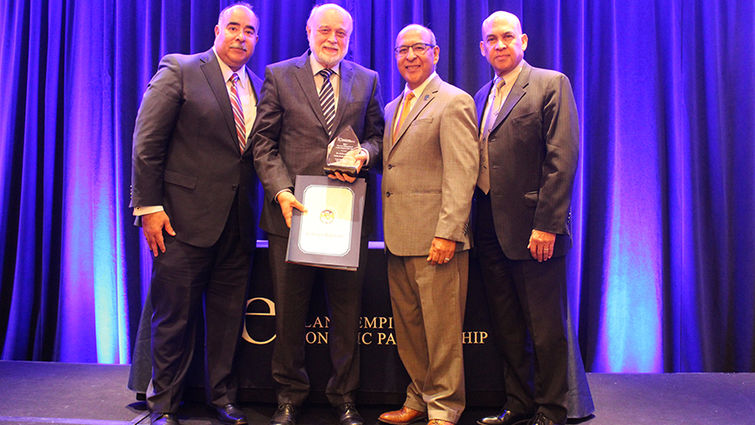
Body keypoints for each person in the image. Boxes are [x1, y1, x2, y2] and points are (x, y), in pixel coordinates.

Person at [250, 4, 384, 425]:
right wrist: (281, 192)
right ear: (308, 32)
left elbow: (379, 137)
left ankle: (344, 398)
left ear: (350, 36)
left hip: (345, 218)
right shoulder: (278, 75)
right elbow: (263, 144)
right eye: (324, 31)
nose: (332, 39)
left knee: (346, 314)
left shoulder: (367, 79)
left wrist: (366, 153)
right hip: (292, 217)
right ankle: (289, 397)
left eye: (341, 33)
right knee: (289, 314)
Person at [129, 3, 262, 425]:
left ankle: (221, 398)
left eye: (251, 32)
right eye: (235, 28)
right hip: (180, 222)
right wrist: (148, 207)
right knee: (174, 317)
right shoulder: (181, 69)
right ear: (217, 30)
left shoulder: (257, 85)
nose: (242, 37)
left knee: (226, 320)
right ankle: (164, 403)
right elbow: (146, 143)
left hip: (237, 224)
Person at [472, 11, 579, 425]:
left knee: (545, 328)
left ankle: (551, 410)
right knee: (508, 326)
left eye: (507, 37)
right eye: (491, 40)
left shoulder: (550, 84)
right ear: (482, 48)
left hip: (535, 229)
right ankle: (517, 404)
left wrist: (547, 224)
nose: (499, 45)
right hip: (488, 228)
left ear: (524, 41)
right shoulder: (481, 95)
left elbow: (562, 159)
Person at [377, 24, 478, 425]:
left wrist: (448, 233)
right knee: (410, 330)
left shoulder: (454, 101)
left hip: (437, 238)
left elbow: (462, 173)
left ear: (436, 53)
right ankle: (417, 398)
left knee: (442, 332)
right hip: (398, 238)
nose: (411, 56)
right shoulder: (391, 108)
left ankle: (445, 407)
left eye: (419, 48)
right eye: (403, 50)